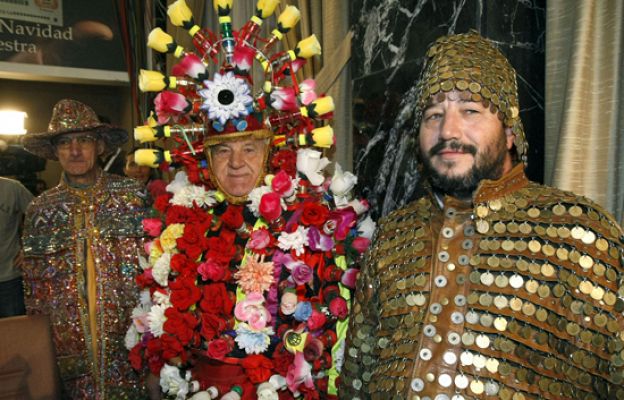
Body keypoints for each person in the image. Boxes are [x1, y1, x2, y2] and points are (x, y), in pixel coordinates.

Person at [339, 31, 624, 400]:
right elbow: (356, 384)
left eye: (470, 110)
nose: (448, 131)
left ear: (509, 132)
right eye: (433, 115)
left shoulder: (581, 231)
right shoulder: (394, 236)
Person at [124, 2, 374, 399]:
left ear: (272, 152)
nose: (236, 163)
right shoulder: (180, 224)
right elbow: (159, 338)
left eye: (249, 149)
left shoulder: (308, 227)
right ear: (205, 158)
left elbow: (328, 341)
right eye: (222, 151)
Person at [20, 99, 148, 398]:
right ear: (55, 151)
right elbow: (34, 298)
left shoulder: (133, 197)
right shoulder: (40, 209)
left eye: (84, 140)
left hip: (132, 351)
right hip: (70, 361)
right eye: (65, 142)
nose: (75, 150)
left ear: (100, 145)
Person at [0, 176, 33, 318]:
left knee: (14, 335)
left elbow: (43, 219)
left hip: (8, 279)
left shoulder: (12, 188)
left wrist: (30, 248)